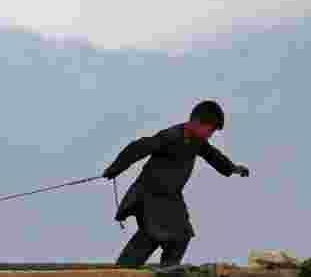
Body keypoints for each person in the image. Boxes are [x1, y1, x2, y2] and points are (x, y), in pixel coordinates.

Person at [102, 100, 251, 268]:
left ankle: (168, 273)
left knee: (182, 235)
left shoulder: (197, 142)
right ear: (196, 122)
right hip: (149, 197)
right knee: (152, 234)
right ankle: (122, 272)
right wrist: (116, 168)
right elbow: (138, 147)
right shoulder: (171, 136)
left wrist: (233, 169)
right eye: (209, 130)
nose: (210, 135)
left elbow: (213, 156)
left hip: (171, 198)